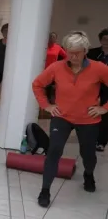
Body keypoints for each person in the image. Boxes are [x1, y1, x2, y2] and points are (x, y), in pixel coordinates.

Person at [33, 31, 108, 208]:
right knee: (54, 150)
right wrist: (47, 105)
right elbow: (37, 84)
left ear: (85, 51)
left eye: (77, 52)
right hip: (62, 117)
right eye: (69, 51)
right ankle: (45, 190)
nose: (72, 56)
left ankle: (88, 174)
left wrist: (103, 109)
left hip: (88, 119)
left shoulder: (99, 68)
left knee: (88, 155)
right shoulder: (57, 67)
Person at [87, 28, 108, 151]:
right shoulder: (92, 53)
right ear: (100, 40)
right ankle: (89, 138)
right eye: (104, 39)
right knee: (90, 112)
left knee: (105, 115)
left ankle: (101, 142)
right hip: (93, 86)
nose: (106, 41)